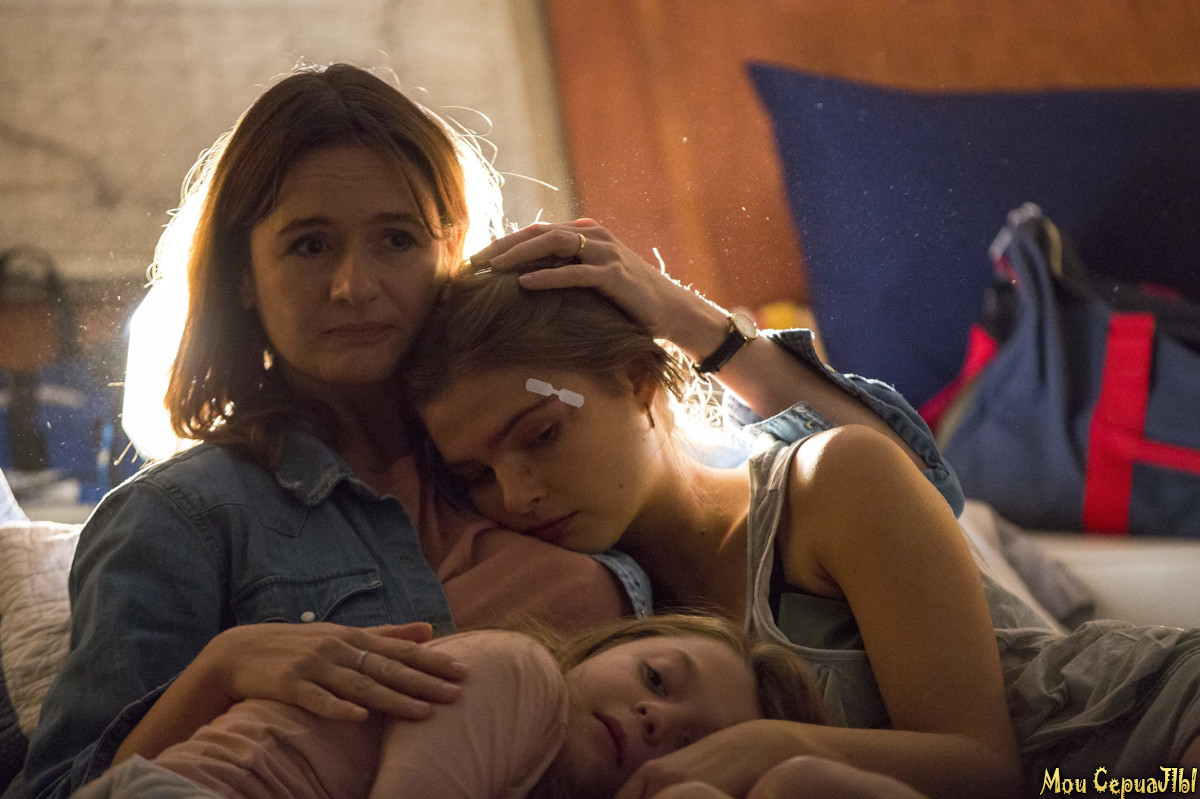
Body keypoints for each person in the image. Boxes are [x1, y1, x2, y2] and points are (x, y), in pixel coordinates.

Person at [21, 62, 960, 799]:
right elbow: (62, 788)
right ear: (240, 275)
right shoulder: (182, 518)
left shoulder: (532, 448)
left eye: (396, 238)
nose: (355, 285)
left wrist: (686, 320)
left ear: (449, 246)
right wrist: (224, 670)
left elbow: (908, 495)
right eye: (309, 245)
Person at [403, 261, 1200, 799]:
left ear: (640, 381)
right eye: (477, 476)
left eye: (542, 434)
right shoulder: (605, 627)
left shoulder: (830, 482)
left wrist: (774, 747)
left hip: (1147, 733)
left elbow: (988, 767)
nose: (517, 493)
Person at [72, 613, 832, 799]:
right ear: (600, 645)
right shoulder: (519, 673)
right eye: (657, 679)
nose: (655, 718)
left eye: (692, 744)